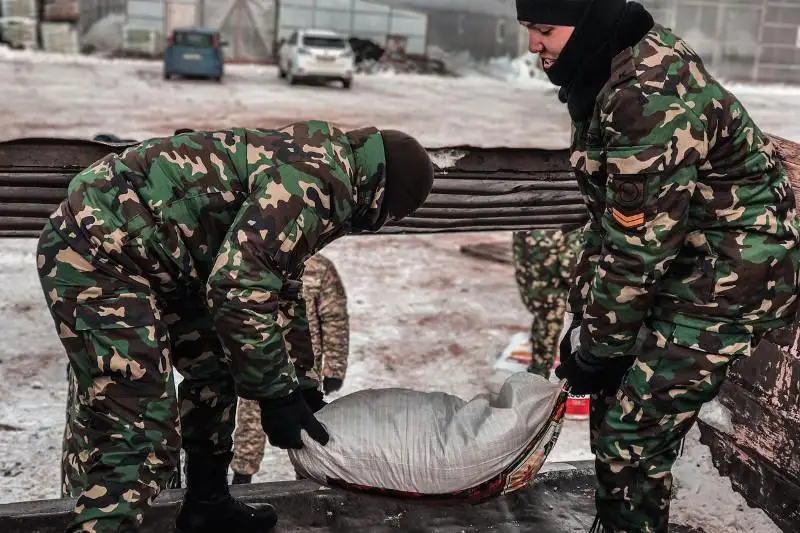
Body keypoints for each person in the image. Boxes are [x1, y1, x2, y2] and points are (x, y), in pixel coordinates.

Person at [37, 120, 434, 533]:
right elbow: (238, 288)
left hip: (160, 257)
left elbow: (281, 284)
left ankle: (206, 504)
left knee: (216, 371)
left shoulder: (331, 167)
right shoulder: (318, 182)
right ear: (382, 198)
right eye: (390, 216)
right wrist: (277, 396)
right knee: (142, 432)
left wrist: (302, 385)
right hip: (98, 253)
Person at [516, 1, 800, 532]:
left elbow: (638, 249)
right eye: (529, 29)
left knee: (632, 436)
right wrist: (588, 324)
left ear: (586, 21)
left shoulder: (645, 96)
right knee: (610, 396)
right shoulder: (604, 70)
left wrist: (598, 346)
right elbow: (611, 220)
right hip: (681, 261)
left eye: (544, 29)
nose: (533, 45)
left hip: (729, 278)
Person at [230, 252, 350, 484]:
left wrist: (334, 368)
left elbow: (334, 318)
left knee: (307, 422)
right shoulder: (254, 262)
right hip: (262, 357)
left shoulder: (319, 268)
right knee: (250, 419)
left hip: (302, 367)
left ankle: (308, 477)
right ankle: (242, 476)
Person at [511, 228, 582, 377]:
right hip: (552, 295)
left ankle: (535, 369)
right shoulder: (568, 228)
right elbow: (568, 270)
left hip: (531, 288)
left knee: (541, 326)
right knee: (547, 341)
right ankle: (537, 378)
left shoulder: (524, 224)